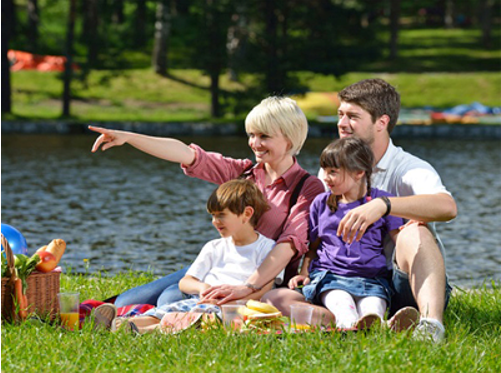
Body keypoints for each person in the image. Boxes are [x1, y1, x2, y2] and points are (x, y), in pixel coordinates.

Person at [263, 79, 457, 342]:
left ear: (381, 122)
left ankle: (431, 325)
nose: (342, 123)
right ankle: (348, 321)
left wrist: (383, 205)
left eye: (353, 116)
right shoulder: (333, 170)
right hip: (340, 279)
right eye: (340, 114)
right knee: (277, 298)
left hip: (404, 285)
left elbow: (447, 207)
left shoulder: (409, 167)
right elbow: (319, 232)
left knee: (415, 231)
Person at [90, 96, 325, 308]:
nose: (255, 143)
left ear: (289, 139)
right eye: (252, 135)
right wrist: (129, 137)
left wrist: (248, 287)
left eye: (264, 136)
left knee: (169, 298)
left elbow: (289, 246)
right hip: (222, 265)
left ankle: (154, 320)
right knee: (125, 302)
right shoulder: (243, 173)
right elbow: (187, 154)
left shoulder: (307, 187)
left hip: (261, 277)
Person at [97, 179, 276, 333]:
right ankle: (120, 324)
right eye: (213, 216)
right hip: (201, 300)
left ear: (247, 214)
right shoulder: (214, 246)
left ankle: (139, 330)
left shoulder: (267, 247)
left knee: (194, 319)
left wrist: (236, 302)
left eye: (221, 215)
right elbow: (185, 281)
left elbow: (266, 287)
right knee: (165, 313)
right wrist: (201, 287)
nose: (215, 222)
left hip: (233, 308)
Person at [287, 137, 413, 330]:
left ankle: (378, 324)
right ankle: (363, 326)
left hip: (372, 280)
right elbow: (313, 248)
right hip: (332, 278)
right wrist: (304, 274)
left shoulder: (381, 202)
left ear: (359, 173)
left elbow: (400, 239)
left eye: (333, 173)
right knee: (343, 305)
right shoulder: (321, 203)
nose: (325, 178)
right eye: (325, 171)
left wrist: (414, 229)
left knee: (372, 309)